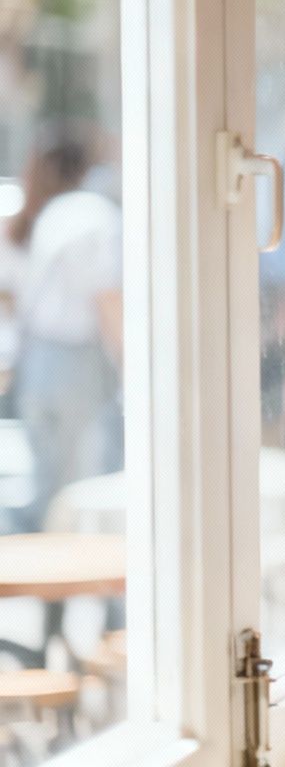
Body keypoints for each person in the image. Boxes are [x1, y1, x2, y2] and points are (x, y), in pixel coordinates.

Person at [10, 134, 123, 533]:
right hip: (76, 366)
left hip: (40, 363)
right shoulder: (93, 214)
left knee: (49, 490)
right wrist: (131, 364)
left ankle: (46, 591)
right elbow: (105, 297)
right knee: (84, 493)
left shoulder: (52, 214)